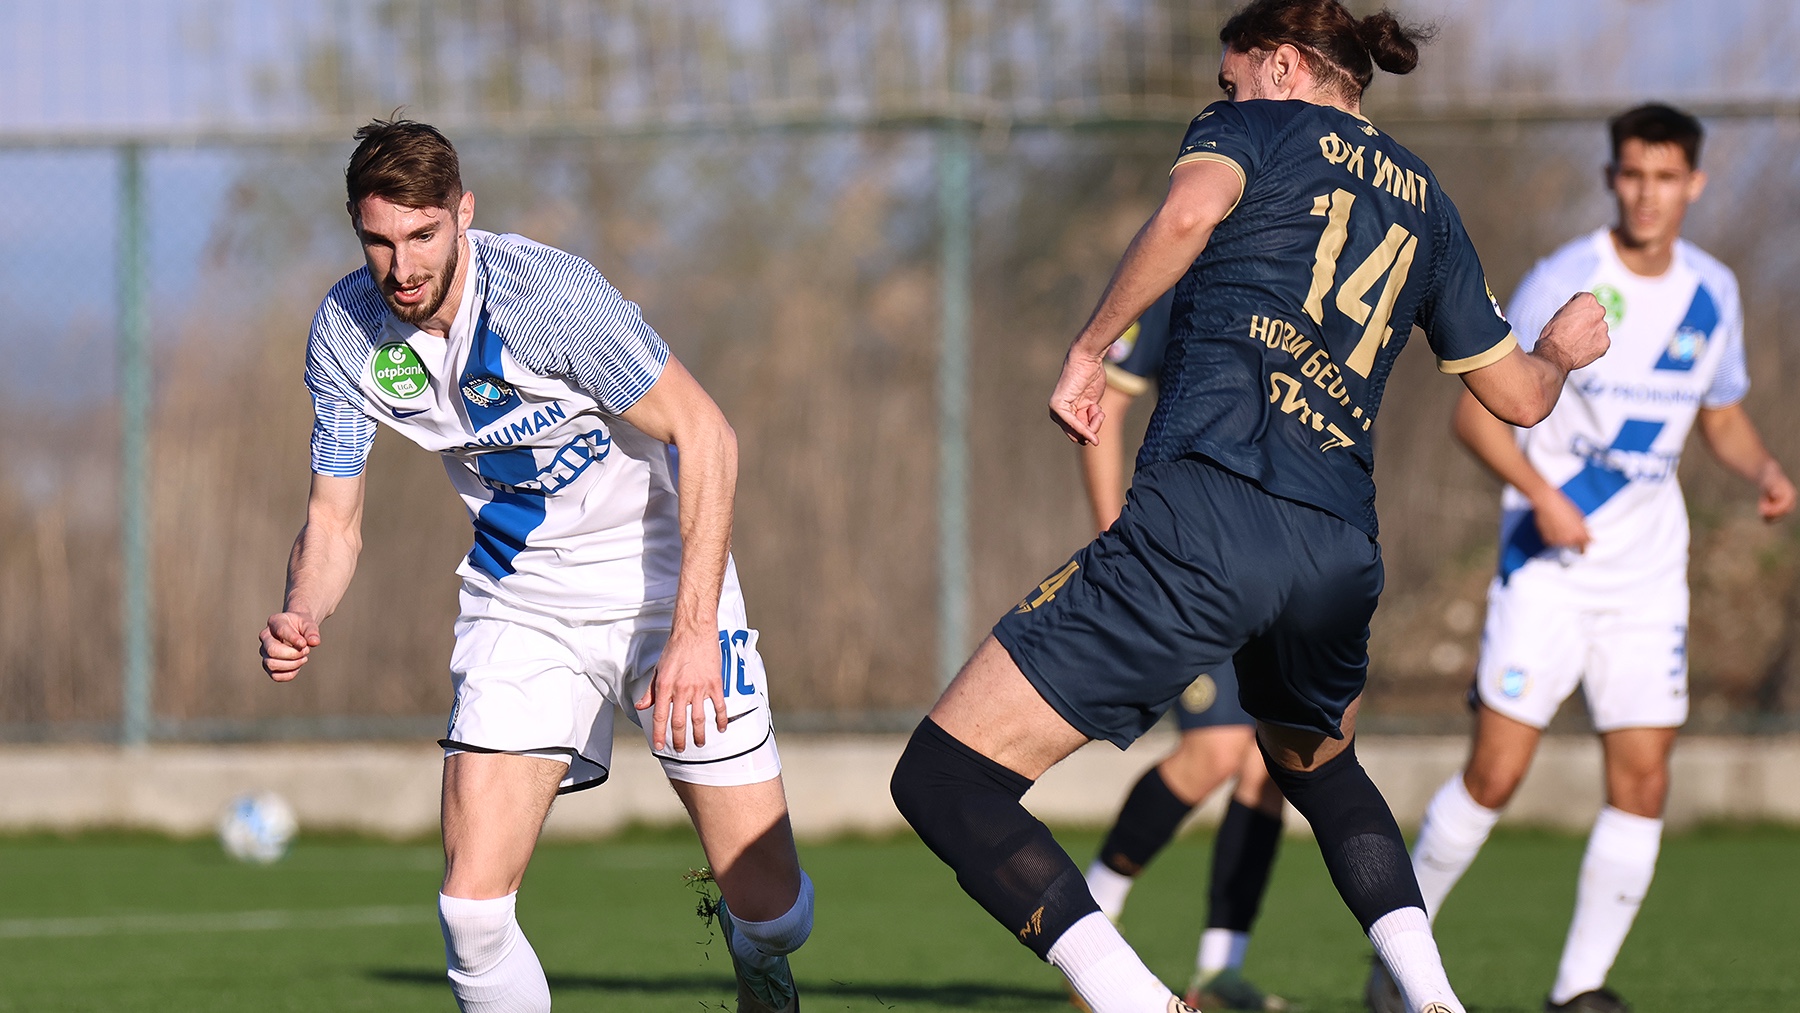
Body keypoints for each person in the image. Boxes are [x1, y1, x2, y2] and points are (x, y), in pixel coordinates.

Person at [887, 1, 1612, 1011]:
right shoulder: (1431, 205)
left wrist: (1091, 348)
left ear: (1280, 64)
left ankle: (1134, 999)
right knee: (1317, 763)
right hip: (1337, 547)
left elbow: (1188, 215)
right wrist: (1563, 349)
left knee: (942, 776)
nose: (1220, 99)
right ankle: (1435, 997)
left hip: (1211, 511)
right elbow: (1523, 397)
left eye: (1230, 81)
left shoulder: (1257, 128)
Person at [258, 119, 813, 1013]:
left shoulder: (543, 296)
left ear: (463, 214)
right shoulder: (345, 331)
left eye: (424, 236)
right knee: (471, 912)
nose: (402, 267)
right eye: (379, 241)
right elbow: (333, 519)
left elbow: (706, 433)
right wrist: (303, 607)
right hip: (520, 598)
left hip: (660, 583)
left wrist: (694, 632)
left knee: (773, 908)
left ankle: (761, 960)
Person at [1372, 103, 1796, 1013]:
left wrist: (1762, 466)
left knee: (1643, 780)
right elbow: (1475, 414)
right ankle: (1400, 959)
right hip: (1549, 567)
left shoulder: (1713, 292)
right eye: (1632, 175)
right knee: (1495, 774)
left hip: (1647, 579)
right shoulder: (1567, 278)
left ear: (1694, 184)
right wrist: (1548, 497)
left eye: (1666, 177)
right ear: (1612, 178)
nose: (1648, 194)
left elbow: (1715, 409)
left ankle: (1579, 991)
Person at [1079, 288, 1290, 1013]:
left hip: (1294, 563)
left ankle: (1220, 970)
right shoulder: (1190, 278)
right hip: (1191, 561)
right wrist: (1118, 537)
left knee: (1273, 764)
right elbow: (1105, 398)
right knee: (1218, 751)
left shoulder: (1312, 274)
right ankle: (1094, 917)